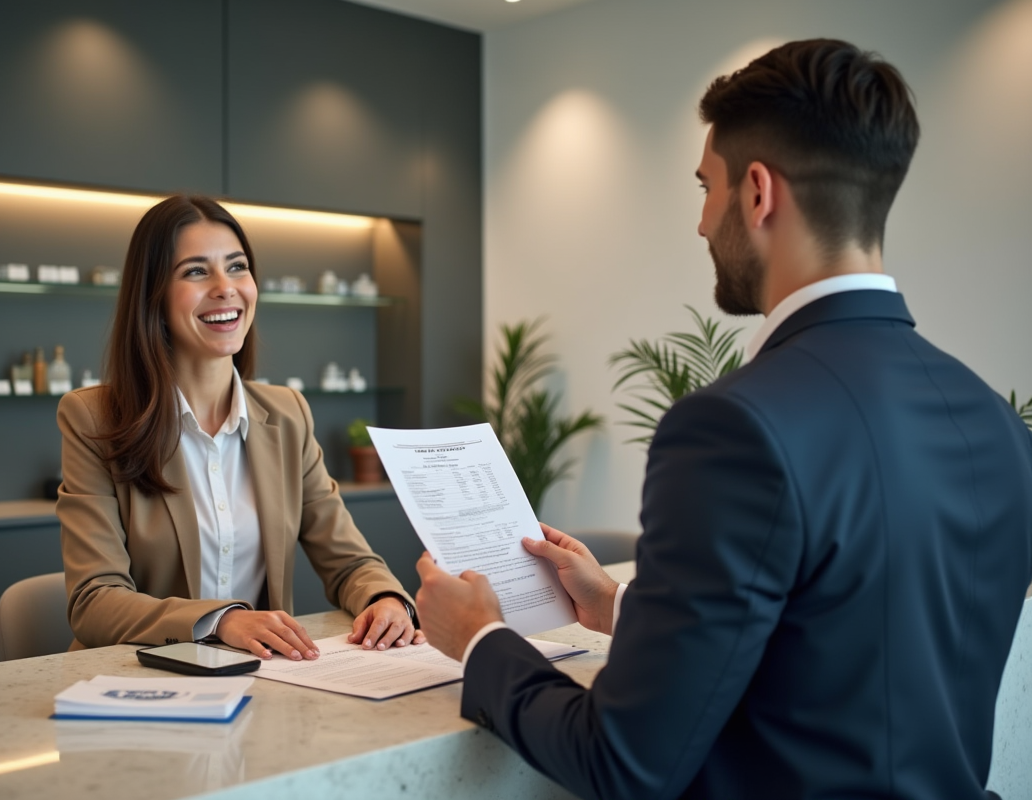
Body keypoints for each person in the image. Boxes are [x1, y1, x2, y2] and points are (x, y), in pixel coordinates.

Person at [414, 39, 1032, 799]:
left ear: (759, 193)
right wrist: (618, 604)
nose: (702, 223)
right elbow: (852, 643)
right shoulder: (993, 422)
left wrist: (481, 638)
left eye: (707, 187)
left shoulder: (733, 428)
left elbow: (624, 762)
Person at [57, 195, 422, 661]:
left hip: (259, 678)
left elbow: (349, 560)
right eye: (195, 271)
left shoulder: (288, 415)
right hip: (139, 679)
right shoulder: (93, 418)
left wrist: (384, 600)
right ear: (153, 294)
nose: (225, 288)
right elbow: (95, 600)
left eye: (237, 267)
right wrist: (221, 620)